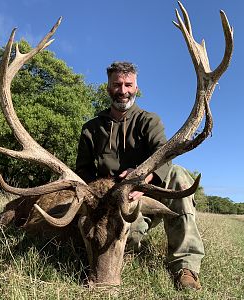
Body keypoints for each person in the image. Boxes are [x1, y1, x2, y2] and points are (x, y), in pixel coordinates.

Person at [75, 61, 204, 290]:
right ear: (108, 87)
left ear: (136, 88)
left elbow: (162, 155)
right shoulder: (91, 128)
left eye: (128, 85)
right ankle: (120, 254)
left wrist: (143, 178)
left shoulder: (149, 121)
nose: (122, 91)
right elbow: (83, 171)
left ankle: (185, 266)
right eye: (117, 84)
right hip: (109, 203)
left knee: (178, 175)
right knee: (128, 238)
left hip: (144, 192)